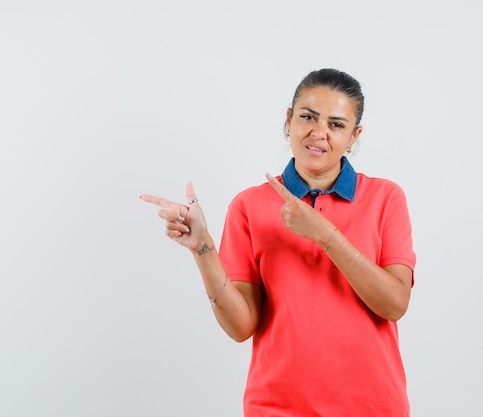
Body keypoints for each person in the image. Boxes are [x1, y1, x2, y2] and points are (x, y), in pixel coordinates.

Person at [140, 68, 416, 416]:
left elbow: (394, 304)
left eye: (336, 124)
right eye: (308, 117)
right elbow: (241, 327)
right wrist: (203, 248)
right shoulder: (249, 206)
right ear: (289, 120)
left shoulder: (386, 198)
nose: (319, 133)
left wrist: (324, 233)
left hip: (374, 407)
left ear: (353, 136)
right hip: (276, 407)